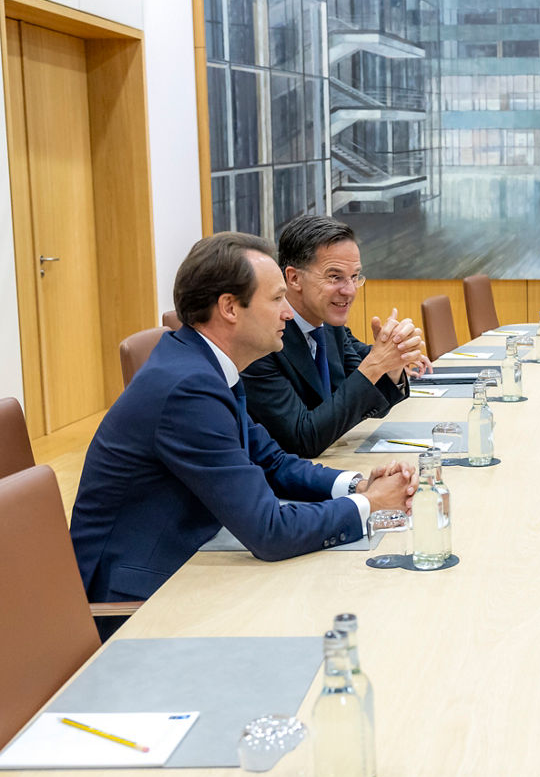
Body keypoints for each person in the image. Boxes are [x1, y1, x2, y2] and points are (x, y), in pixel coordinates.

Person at [70, 233, 417, 636]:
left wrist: (356, 484)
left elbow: (271, 461)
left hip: (194, 563)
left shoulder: (206, 365)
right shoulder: (188, 387)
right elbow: (268, 531)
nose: (288, 313)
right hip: (142, 602)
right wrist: (368, 506)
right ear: (230, 308)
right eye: (276, 299)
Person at [242, 215, 426, 458]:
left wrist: (393, 364)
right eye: (334, 276)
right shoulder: (260, 340)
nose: (349, 291)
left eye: (354, 277)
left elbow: (362, 402)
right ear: (294, 278)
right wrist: (375, 364)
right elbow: (302, 439)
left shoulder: (329, 325)